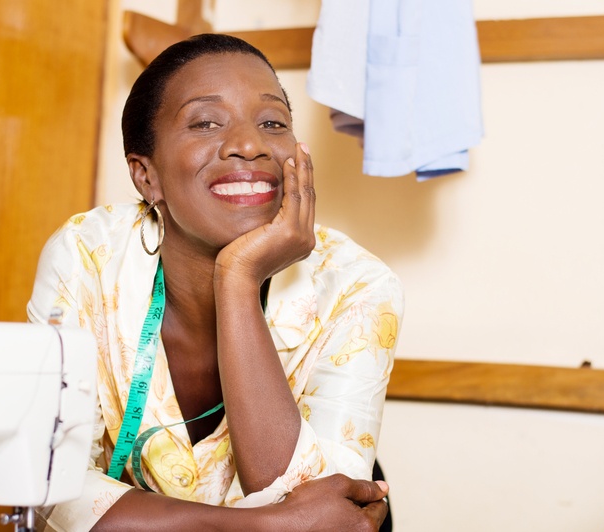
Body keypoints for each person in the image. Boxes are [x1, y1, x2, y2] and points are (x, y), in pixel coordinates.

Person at [27, 33, 404, 531]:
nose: (249, 145)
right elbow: (50, 486)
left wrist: (238, 279)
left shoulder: (356, 286)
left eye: (273, 123)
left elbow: (322, 518)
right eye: (206, 122)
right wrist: (259, 526)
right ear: (146, 176)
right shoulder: (86, 254)